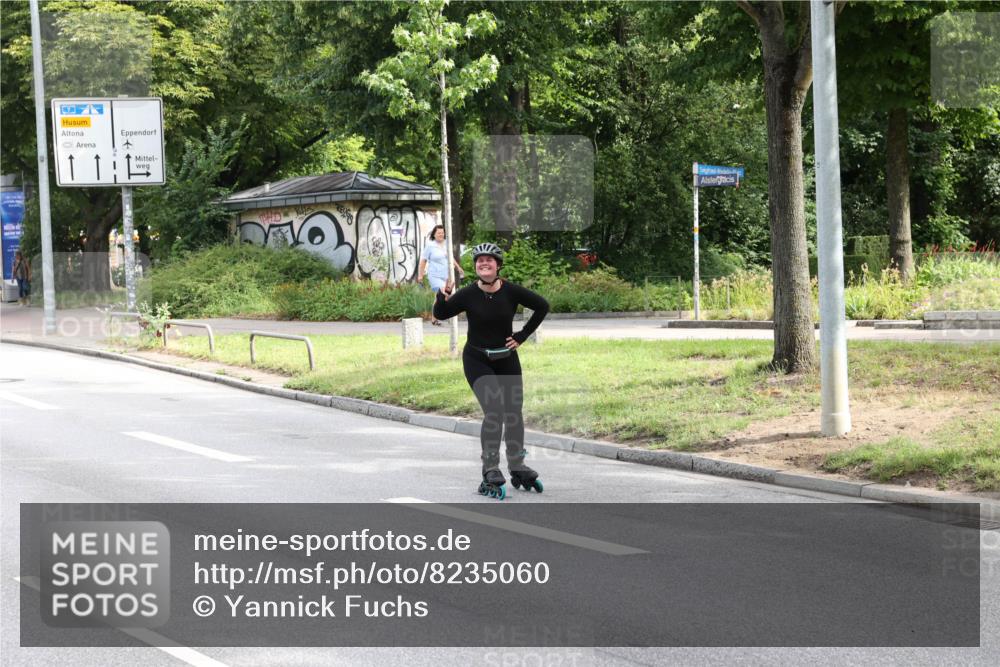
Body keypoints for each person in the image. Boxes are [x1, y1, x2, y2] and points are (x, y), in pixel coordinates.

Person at [433, 242, 549, 499]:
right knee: (495, 411)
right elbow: (441, 313)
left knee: (514, 413)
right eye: (479, 261)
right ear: (475, 267)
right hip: (477, 360)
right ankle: (490, 468)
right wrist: (442, 295)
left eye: (489, 261)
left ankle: (517, 465)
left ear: (498, 265)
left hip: (507, 358)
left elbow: (542, 306)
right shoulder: (467, 294)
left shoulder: (511, 291)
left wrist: (522, 335)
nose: (484, 264)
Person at [418, 225, 465, 325]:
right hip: (434, 275)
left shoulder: (446, 244)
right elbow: (423, 261)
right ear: (434, 234)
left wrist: (458, 268)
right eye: (438, 233)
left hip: (446, 276)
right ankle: (437, 318)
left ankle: (436, 317)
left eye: (442, 232)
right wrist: (420, 276)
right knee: (441, 293)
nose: (441, 234)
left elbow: (450, 258)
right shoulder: (430, 246)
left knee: (442, 296)